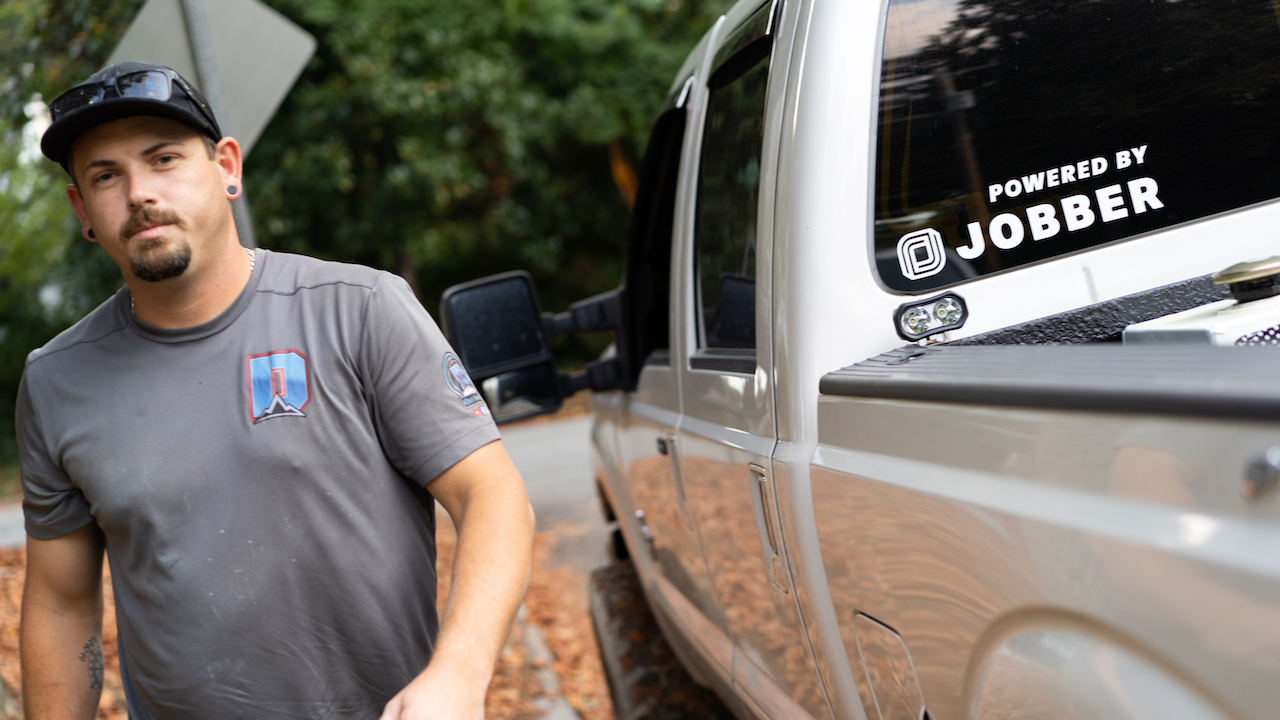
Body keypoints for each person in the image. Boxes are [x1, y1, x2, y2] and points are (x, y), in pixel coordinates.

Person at [19, 61, 536, 720]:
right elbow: (62, 604)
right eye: (105, 176)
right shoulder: (57, 380)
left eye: (164, 159)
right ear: (82, 210)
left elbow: (492, 497)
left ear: (227, 167)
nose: (140, 192)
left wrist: (460, 674)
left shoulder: (359, 309)